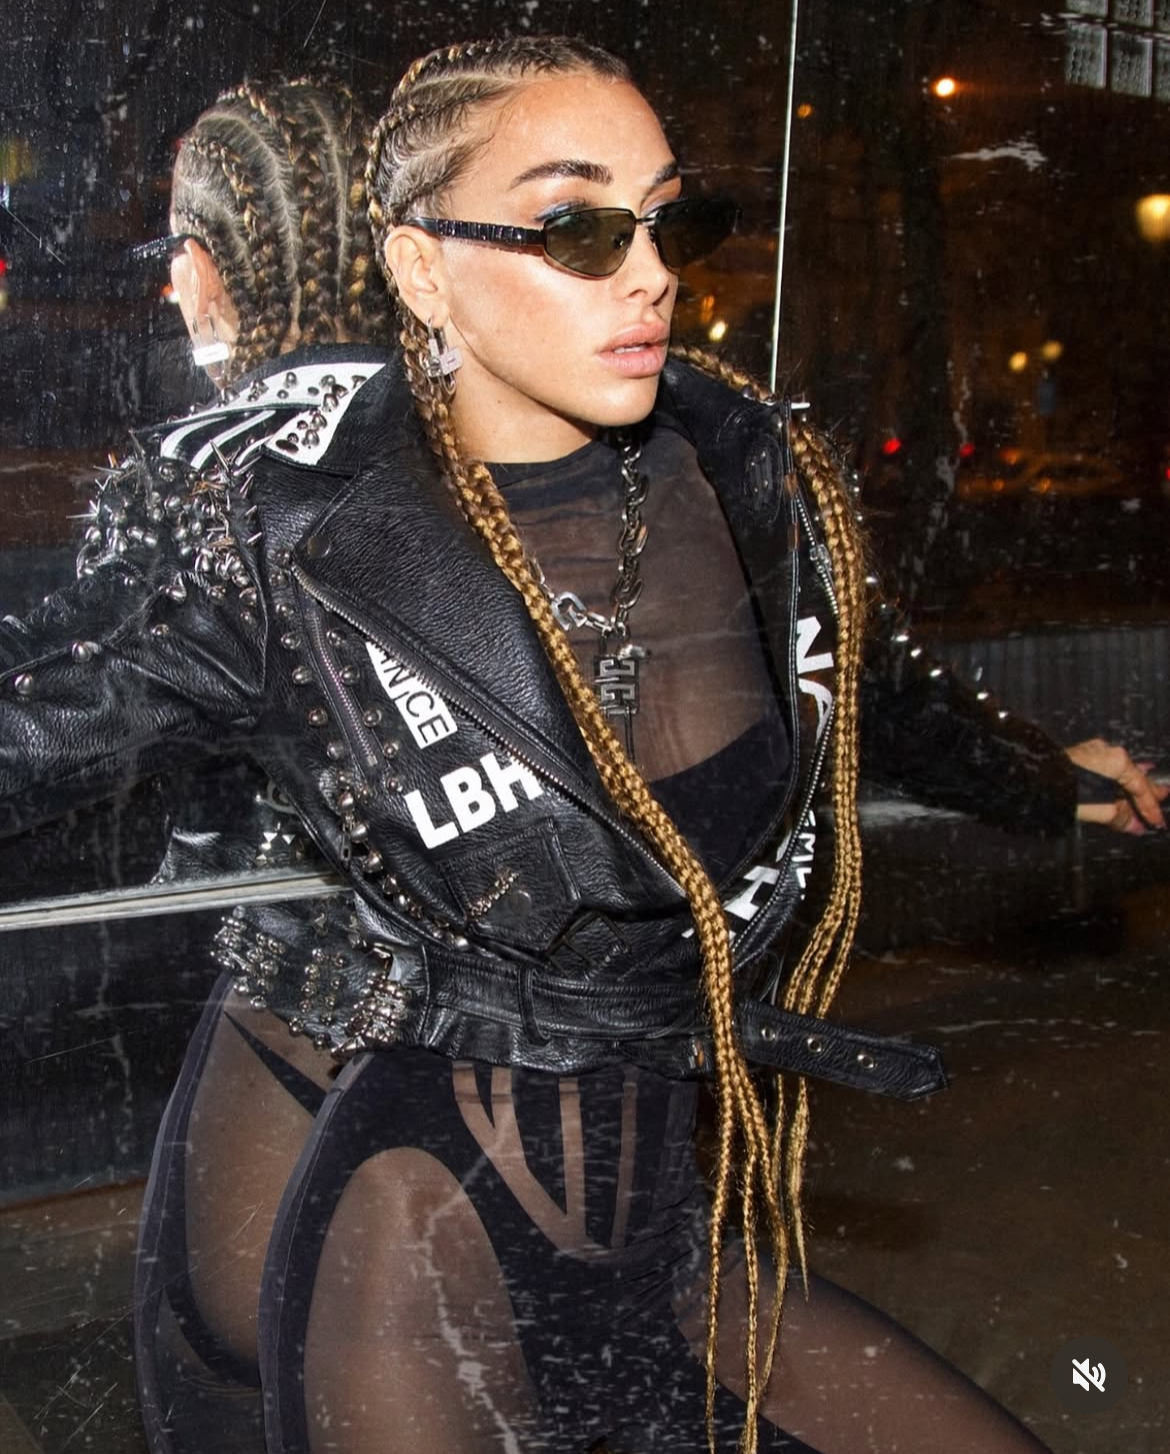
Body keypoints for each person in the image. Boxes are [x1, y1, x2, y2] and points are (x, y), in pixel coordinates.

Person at [1, 37, 1164, 1454]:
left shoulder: (748, 465)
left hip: (667, 1221)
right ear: (421, 268)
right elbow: (40, 720)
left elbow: (872, 695)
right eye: (576, 226)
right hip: (417, 1228)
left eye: (669, 219)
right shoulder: (287, 533)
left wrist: (1049, 783)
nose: (651, 272)